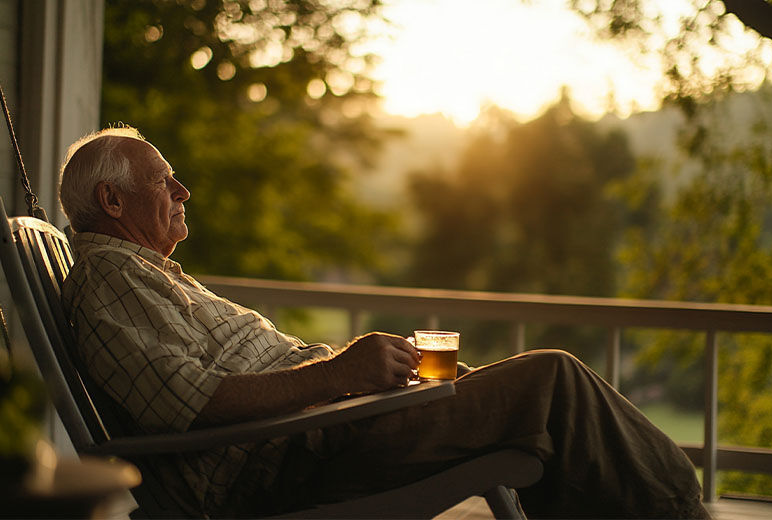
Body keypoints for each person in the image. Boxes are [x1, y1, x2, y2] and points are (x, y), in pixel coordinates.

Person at [59, 126, 710, 519]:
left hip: (329, 427)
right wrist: (340, 373)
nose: (184, 192)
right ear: (111, 199)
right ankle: (677, 512)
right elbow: (191, 402)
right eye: (164, 181)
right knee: (552, 383)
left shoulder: (145, 275)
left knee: (532, 407)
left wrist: (357, 381)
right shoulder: (110, 279)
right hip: (303, 459)